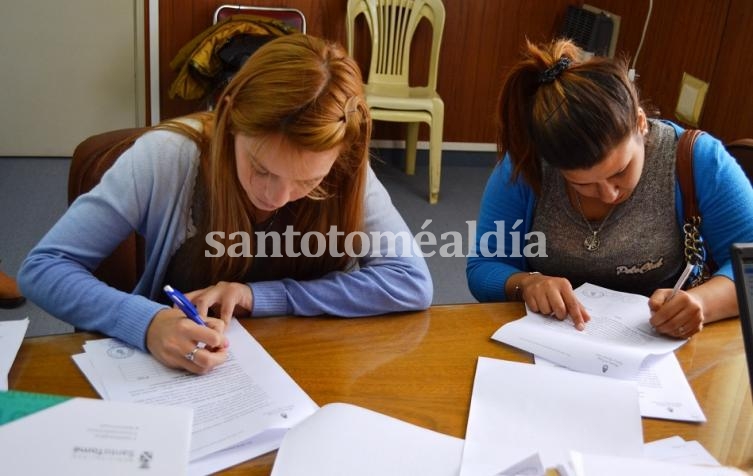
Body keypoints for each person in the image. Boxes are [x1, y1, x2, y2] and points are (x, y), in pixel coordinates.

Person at [19, 34, 432, 374]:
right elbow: (43, 268)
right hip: (176, 370)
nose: (275, 197)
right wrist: (146, 324)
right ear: (230, 118)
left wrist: (259, 296)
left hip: (307, 366)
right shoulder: (165, 158)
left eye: (308, 180)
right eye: (261, 168)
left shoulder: (346, 166)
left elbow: (411, 282)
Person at [466, 38, 753, 339]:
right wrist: (526, 283)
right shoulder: (527, 165)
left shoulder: (698, 159)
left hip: (664, 343)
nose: (609, 194)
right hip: (555, 339)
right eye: (582, 184)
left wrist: (701, 303)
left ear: (641, 122)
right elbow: (484, 266)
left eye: (620, 171)